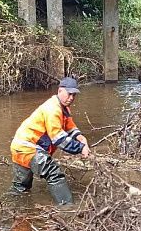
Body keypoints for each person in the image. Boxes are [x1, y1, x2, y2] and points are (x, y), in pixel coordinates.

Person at [9, 77, 91, 205]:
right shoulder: (53, 109)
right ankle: (67, 208)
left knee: (20, 189)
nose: (71, 98)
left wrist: (81, 138)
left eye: (74, 95)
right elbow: (59, 139)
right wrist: (80, 148)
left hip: (20, 147)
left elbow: (70, 127)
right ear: (60, 91)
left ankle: (12, 209)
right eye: (69, 94)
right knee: (54, 174)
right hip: (27, 147)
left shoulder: (64, 108)